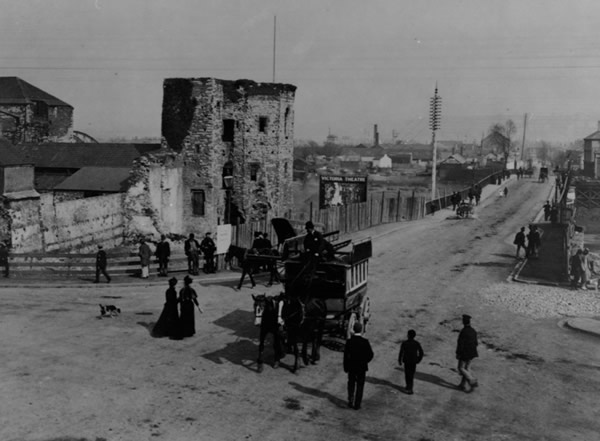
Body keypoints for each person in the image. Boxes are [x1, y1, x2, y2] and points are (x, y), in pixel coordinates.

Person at [343, 322, 374, 410]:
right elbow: (371, 354)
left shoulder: (349, 342)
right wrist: (365, 361)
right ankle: (357, 404)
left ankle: (350, 400)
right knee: (360, 385)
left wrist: (346, 367)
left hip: (351, 367)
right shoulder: (365, 342)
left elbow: (345, 356)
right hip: (361, 367)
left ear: (353, 329)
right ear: (361, 330)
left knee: (351, 383)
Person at [456, 314, 478, 392]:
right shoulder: (473, 331)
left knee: (461, 368)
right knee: (467, 368)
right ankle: (462, 385)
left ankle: (472, 380)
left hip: (465, 353)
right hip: (472, 352)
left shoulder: (463, 331)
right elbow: (476, 343)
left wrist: (458, 353)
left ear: (463, 322)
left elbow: (460, 344)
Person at [398, 329, 424, 394]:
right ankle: (409, 387)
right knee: (411, 375)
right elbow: (421, 353)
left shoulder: (405, 343)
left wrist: (400, 360)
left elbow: (401, 352)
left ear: (408, 335)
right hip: (413, 362)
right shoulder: (416, 343)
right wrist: (418, 360)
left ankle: (409, 388)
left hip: (407, 361)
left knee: (407, 375)